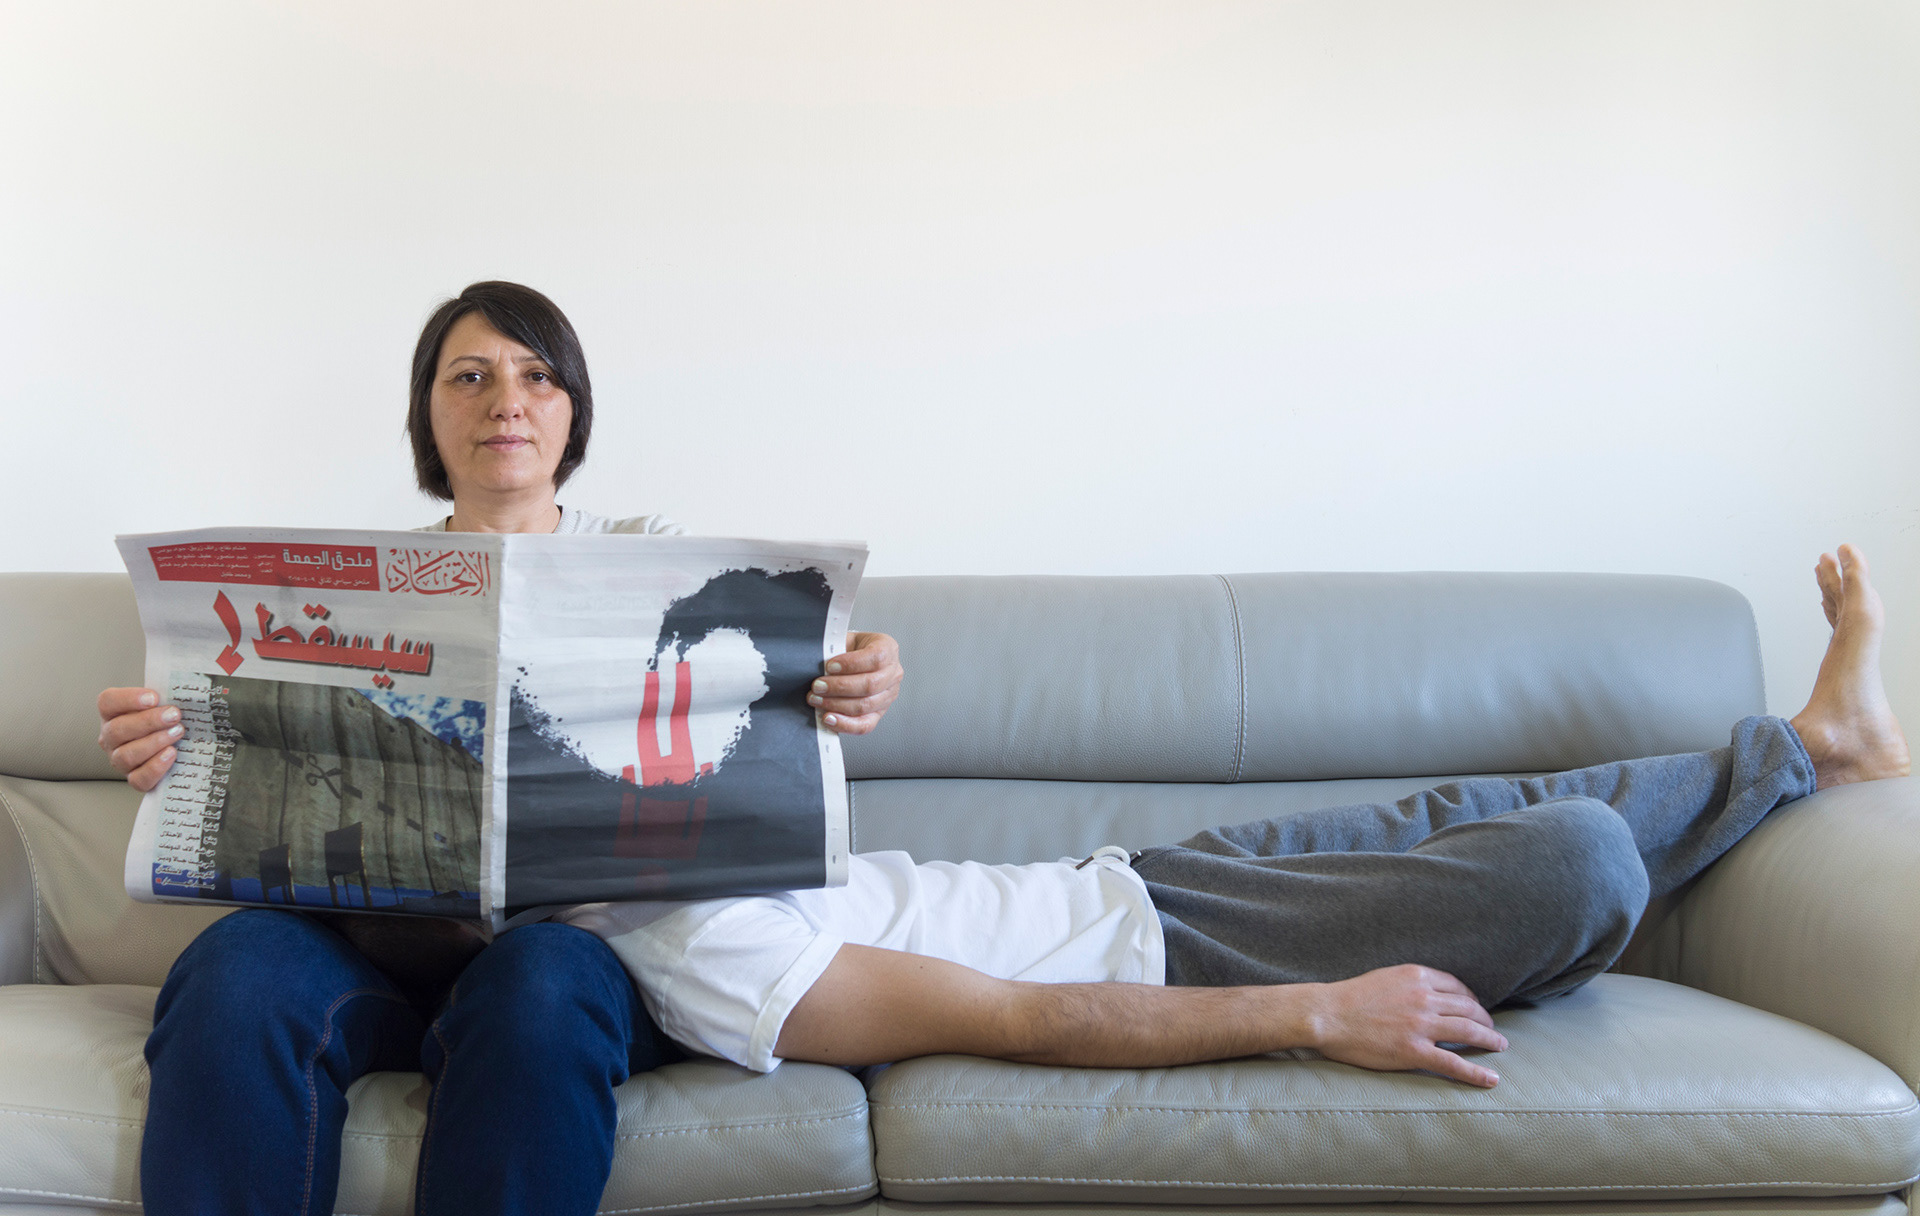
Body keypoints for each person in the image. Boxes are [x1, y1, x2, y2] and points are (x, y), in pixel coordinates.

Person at [94, 281, 905, 1216]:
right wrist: (171, 745)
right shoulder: (346, 592)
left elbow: (776, 681)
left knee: (540, 983)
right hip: (378, 950)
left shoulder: (656, 556)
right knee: (235, 968)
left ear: (573, 410)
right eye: (470, 377)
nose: (506, 402)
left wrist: (859, 670)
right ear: (427, 414)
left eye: (537, 376)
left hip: (574, 957)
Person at [570, 544, 1909, 1091]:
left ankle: (1811, 746)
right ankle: (1797, 758)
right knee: (1578, 860)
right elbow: (1024, 1019)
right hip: (1185, 956)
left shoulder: (696, 834)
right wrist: (1319, 1012)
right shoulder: (684, 953)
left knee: (1475, 805)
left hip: (1140, 878)